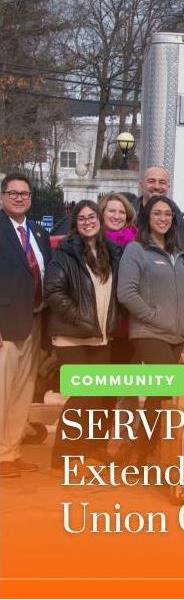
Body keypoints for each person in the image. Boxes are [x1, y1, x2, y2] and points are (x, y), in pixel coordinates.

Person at [117, 195, 184, 460]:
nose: (163, 218)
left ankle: (145, 450)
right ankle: (141, 451)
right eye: (157, 213)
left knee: (159, 396)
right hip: (148, 333)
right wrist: (154, 316)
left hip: (177, 334)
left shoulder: (179, 253)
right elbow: (126, 293)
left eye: (167, 214)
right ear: (147, 218)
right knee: (166, 389)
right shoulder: (136, 250)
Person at [44, 200, 121, 468]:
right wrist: (81, 319)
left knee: (96, 398)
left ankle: (86, 449)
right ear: (75, 224)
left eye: (92, 217)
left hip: (100, 338)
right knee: (84, 395)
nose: (88, 221)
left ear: (99, 220)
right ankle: (62, 455)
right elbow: (53, 292)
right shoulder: (65, 253)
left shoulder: (111, 252)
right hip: (71, 336)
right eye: (82, 218)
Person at [0, 174, 52, 478]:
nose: (19, 198)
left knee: (22, 391)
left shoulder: (39, 233)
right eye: (13, 193)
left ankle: (9, 452)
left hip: (35, 320)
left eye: (25, 193)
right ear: (3, 196)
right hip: (5, 325)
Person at [98, 192, 137, 364]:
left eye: (121, 212)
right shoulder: (91, 240)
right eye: (111, 211)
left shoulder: (137, 242)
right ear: (102, 213)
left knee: (122, 375)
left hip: (128, 320)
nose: (117, 216)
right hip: (99, 320)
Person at [129, 166, 184, 245]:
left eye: (162, 182)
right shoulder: (126, 219)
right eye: (151, 181)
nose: (156, 187)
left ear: (168, 187)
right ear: (141, 185)